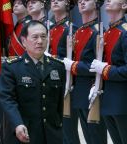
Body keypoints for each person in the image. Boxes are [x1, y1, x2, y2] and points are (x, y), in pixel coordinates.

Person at [0, 20, 65, 144]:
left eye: (43, 37)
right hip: (23, 132)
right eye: (35, 37)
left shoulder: (58, 67)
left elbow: (59, 104)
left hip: (51, 134)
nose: (40, 41)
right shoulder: (12, 68)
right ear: (24, 41)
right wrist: (17, 124)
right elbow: (7, 100)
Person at [62, 0, 107, 143]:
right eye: (80, 0)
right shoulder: (79, 31)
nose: (81, 2)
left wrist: (73, 65)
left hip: (92, 91)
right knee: (87, 137)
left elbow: (97, 65)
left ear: (96, 4)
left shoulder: (98, 31)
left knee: (96, 138)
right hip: (78, 92)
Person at [89, 0, 127, 143]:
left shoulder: (124, 33)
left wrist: (105, 69)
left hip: (122, 101)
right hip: (106, 99)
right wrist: (94, 84)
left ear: (124, 5)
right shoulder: (106, 32)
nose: (108, 1)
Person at [50, 0, 80, 144]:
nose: (54, 1)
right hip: (50, 83)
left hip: (66, 85)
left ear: (68, 4)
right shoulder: (50, 28)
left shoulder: (72, 28)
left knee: (69, 132)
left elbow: (74, 58)